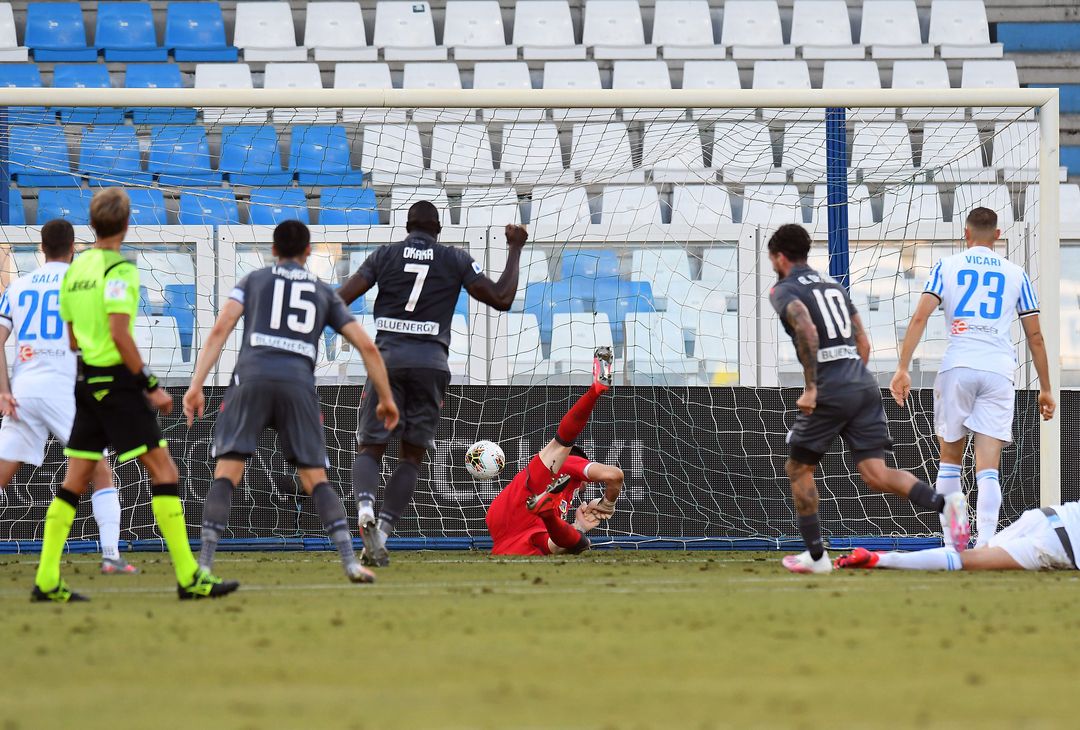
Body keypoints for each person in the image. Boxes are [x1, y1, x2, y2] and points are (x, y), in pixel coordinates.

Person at [33, 188, 237, 602]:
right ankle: (189, 577)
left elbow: (72, 337)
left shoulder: (75, 269)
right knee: (165, 473)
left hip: (85, 381)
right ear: (126, 225)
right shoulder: (120, 270)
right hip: (118, 386)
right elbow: (119, 334)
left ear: (91, 225)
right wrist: (150, 385)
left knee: (74, 482)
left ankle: (46, 579)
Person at [183, 221, 399, 584]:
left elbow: (221, 329)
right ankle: (349, 563)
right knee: (316, 478)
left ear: (274, 249)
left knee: (228, 472)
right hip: (297, 385)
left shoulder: (253, 280)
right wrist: (387, 399)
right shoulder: (323, 292)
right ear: (308, 252)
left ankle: (203, 566)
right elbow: (366, 346)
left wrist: (196, 385)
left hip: (249, 379)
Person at [767, 223, 969, 575]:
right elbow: (864, 344)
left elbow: (806, 329)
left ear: (780, 257)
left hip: (830, 385)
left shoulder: (782, 289)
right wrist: (852, 379)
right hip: (862, 383)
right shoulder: (833, 285)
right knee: (876, 473)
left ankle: (816, 557)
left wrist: (813, 387)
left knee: (798, 468)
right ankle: (945, 504)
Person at [336, 201, 528, 566]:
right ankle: (384, 533)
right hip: (431, 364)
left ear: (407, 226)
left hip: (386, 361)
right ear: (439, 230)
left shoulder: (384, 256)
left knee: (370, 449)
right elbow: (501, 299)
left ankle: (364, 509)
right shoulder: (455, 259)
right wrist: (515, 247)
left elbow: (341, 300)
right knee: (410, 458)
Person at [890, 207, 1054, 549]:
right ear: (997, 236)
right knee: (988, 467)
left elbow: (920, 317)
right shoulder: (1016, 273)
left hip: (958, 365)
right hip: (998, 370)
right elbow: (1035, 336)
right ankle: (986, 545)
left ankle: (953, 543)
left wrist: (903, 367)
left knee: (950, 460)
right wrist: (1046, 388)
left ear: (966, 234)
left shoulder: (946, 267)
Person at [0, 220, 135, 575]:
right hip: (65, 389)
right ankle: (110, 555)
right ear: (74, 246)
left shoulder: (17, 288)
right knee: (101, 471)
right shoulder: (83, 284)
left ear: (41, 248)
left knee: (3, 471)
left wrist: (4, 390)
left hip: (24, 389)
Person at [486, 347, 621, 556]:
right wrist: (607, 504)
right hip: (529, 499)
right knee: (561, 444)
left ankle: (548, 514)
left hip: (512, 535)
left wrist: (580, 525)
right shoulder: (571, 465)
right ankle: (595, 391)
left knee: (571, 543)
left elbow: (556, 540)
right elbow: (614, 476)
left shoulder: (563, 499)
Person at [835, 501, 1078, 572]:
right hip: (1058, 544)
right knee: (965, 561)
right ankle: (882, 559)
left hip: (1048, 515)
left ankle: (881, 557)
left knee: (969, 555)